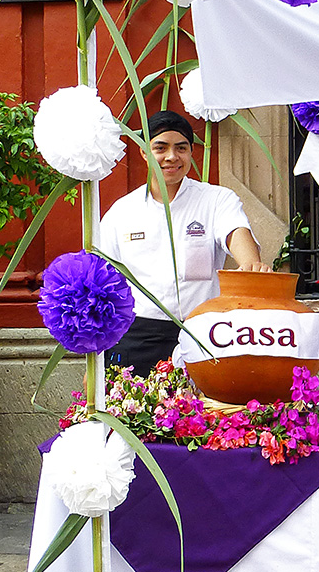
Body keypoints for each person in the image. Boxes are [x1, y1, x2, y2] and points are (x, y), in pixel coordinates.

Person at [100, 110, 271, 375]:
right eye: (160, 148)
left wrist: (251, 265)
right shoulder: (121, 212)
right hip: (139, 335)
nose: (171, 157)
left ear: (191, 152)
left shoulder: (216, 199)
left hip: (204, 332)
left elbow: (235, 231)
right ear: (144, 152)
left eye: (181, 148)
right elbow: (102, 280)